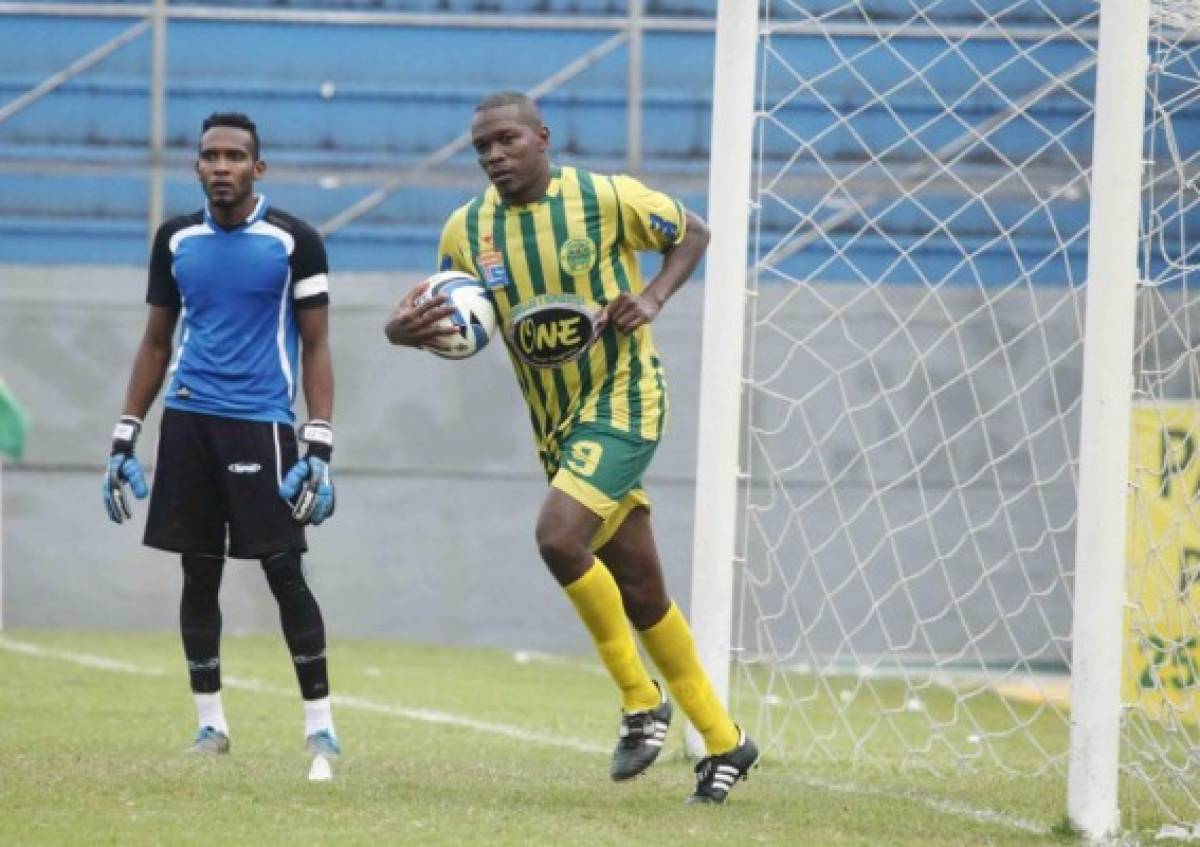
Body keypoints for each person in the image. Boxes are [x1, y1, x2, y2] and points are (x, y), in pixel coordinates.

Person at [384, 91, 759, 804]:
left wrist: (650, 298)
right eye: (482, 148)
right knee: (643, 590)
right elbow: (457, 322)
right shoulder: (466, 232)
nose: (495, 156)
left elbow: (695, 233)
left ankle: (640, 701)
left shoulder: (604, 198)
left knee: (557, 536)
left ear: (541, 137)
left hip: (625, 399)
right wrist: (403, 333)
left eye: (506, 141)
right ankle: (724, 740)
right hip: (555, 427)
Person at [102, 112, 341, 773]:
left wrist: (317, 439)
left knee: (284, 568)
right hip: (187, 420)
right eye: (211, 155)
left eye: (236, 155)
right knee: (196, 568)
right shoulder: (174, 239)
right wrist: (127, 431)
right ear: (197, 166)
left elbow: (318, 343)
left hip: (261, 422)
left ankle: (320, 725)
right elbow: (156, 341)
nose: (222, 165)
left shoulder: (296, 240)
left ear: (257, 168)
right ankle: (210, 724)